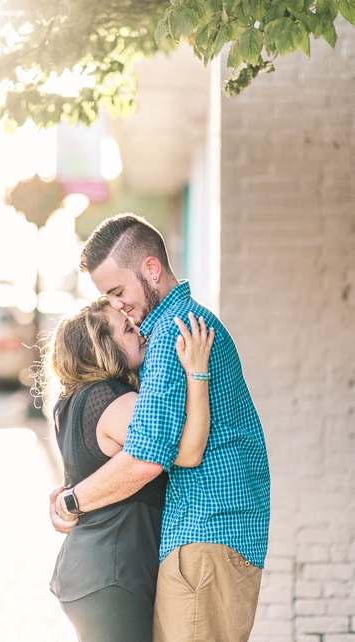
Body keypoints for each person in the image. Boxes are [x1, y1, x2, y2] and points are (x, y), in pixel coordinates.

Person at [50, 214, 270, 642]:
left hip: (205, 536)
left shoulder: (173, 333)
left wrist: (72, 502)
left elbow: (149, 457)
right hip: (207, 536)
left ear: (151, 269)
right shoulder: (178, 326)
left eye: (117, 292)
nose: (116, 305)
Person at [45, 297, 214, 641]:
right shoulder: (112, 399)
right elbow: (189, 450)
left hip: (94, 572)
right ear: (104, 348)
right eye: (127, 328)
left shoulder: (74, 401)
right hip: (112, 576)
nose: (139, 331)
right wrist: (197, 372)